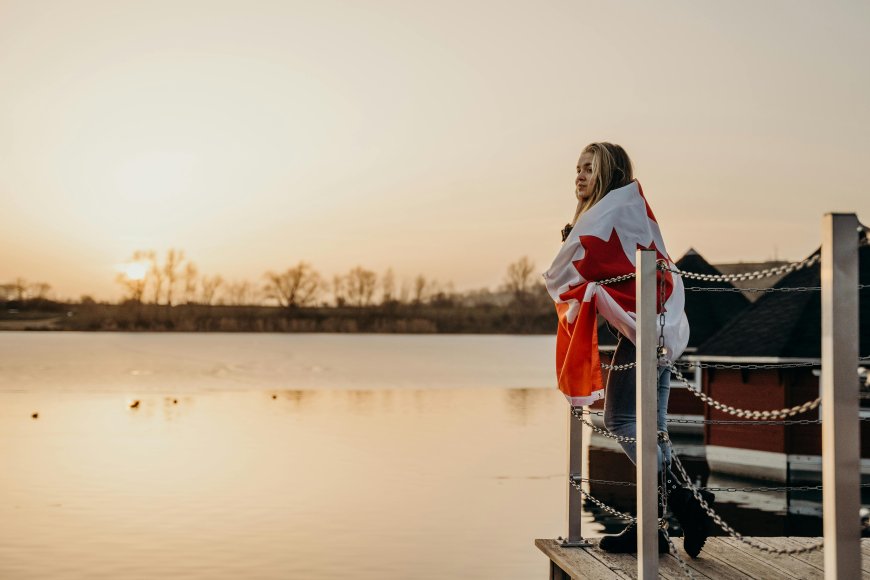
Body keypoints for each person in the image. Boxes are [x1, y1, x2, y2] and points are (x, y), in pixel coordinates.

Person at [544, 142, 714, 557]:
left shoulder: (610, 213)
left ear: (607, 173)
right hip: (658, 327)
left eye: (590, 168)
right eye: (577, 169)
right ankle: (656, 526)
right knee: (654, 432)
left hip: (647, 332)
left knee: (621, 420)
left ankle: (684, 510)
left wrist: (575, 251)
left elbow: (562, 277)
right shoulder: (624, 212)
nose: (580, 176)